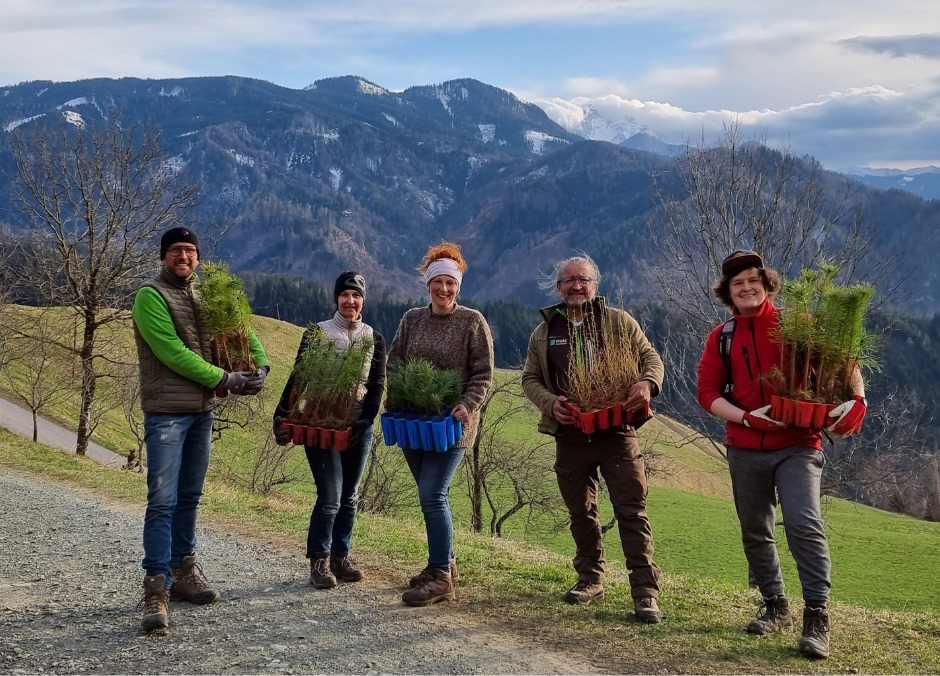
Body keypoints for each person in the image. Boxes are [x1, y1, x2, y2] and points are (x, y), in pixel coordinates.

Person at [696, 250, 867, 660]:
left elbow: (846, 364)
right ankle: (775, 604)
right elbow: (707, 394)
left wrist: (858, 399)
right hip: (745, 447)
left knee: (804, 523)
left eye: (753, 279)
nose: (746, 287)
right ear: (728, 292)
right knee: (756, 529)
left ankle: (817, 615)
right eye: (738, 283)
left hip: (798, 444)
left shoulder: (797, 324)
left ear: (767, 283)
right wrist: (747, 419)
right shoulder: (722, 336)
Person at [132, 226, 269, 632]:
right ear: (163, 256)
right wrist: (224, 380)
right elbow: (171, 352)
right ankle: (156, 585)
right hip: (167, 413)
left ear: (198, 258)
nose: (184, 257)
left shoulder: (209, 296)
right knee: (162, 500)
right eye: (176, 251)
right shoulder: (150, 296)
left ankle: (184, 571)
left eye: (191, 251)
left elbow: (245, 333)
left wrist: (259, 366)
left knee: (190, 496)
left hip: (202, 412)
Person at [521, 254, 666, 623]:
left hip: (617, 430)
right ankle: (590, 579)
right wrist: (551, 403)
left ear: (595, 285)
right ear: (558, 288)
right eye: (568, 280)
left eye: (583, 279)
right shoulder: (544, 332)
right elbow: (529, 379)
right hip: (569, 434)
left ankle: (645, 592)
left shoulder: (618, 322)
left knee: (631, 510)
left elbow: (652, 359)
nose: (576, 286)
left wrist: (647, 384)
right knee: (580, 512)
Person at [387, 242, 494, 606]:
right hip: (414, 423)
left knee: (433, 494)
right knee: (429, 496)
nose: (444, 289)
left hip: (452, 425)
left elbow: (483, 372)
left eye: (451, 283)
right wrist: (396, 398)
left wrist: (468, 404)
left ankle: (441, 577)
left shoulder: (472, 322)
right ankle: (444, 562)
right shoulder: (412, 319)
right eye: (438, 282)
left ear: (458, 287)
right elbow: (395, 363)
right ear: (428, 285)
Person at [272, 271, 386, 589]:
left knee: (350, 497)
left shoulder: (373, 337)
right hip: (321, 422)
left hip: (357, 427)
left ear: (363, 300)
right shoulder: (318, 333)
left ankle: (341, 557)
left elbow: (376, 385)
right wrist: (281, 417)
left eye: (357, 295)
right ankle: (319, 561)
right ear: (336, 298)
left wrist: (366, 420)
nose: (351, 301)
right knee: (331, 496)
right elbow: (299, 377)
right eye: (345, 295)